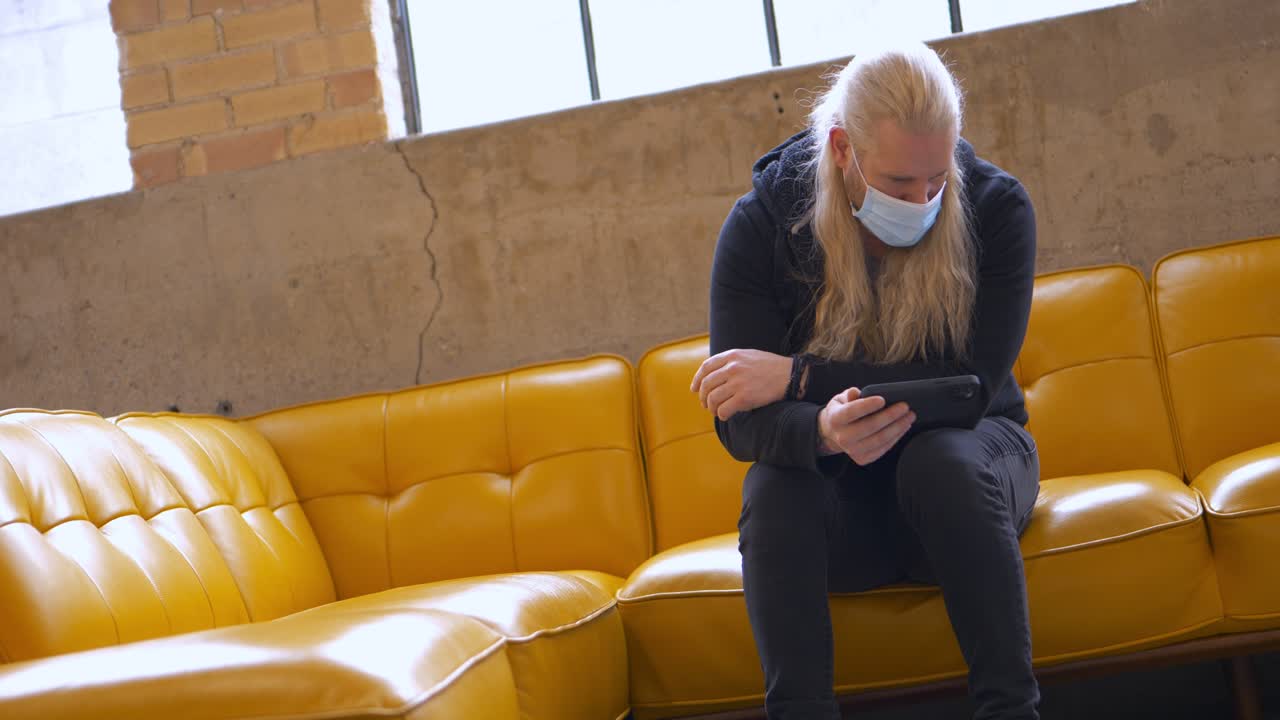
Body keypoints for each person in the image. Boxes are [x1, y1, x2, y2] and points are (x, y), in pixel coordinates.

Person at [689, 43, 1041, 720]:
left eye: (938, 179)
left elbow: (969, 389)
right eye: (901, 184)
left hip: (970, 477)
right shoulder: (762, 225)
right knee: (773, 485)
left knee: (941, 460)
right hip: (847, 517)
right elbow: (737, 418)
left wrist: (800, 379)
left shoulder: (997, 209)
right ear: (843, 149)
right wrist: (820, 430)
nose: (924, 202)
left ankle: (1012, 710)